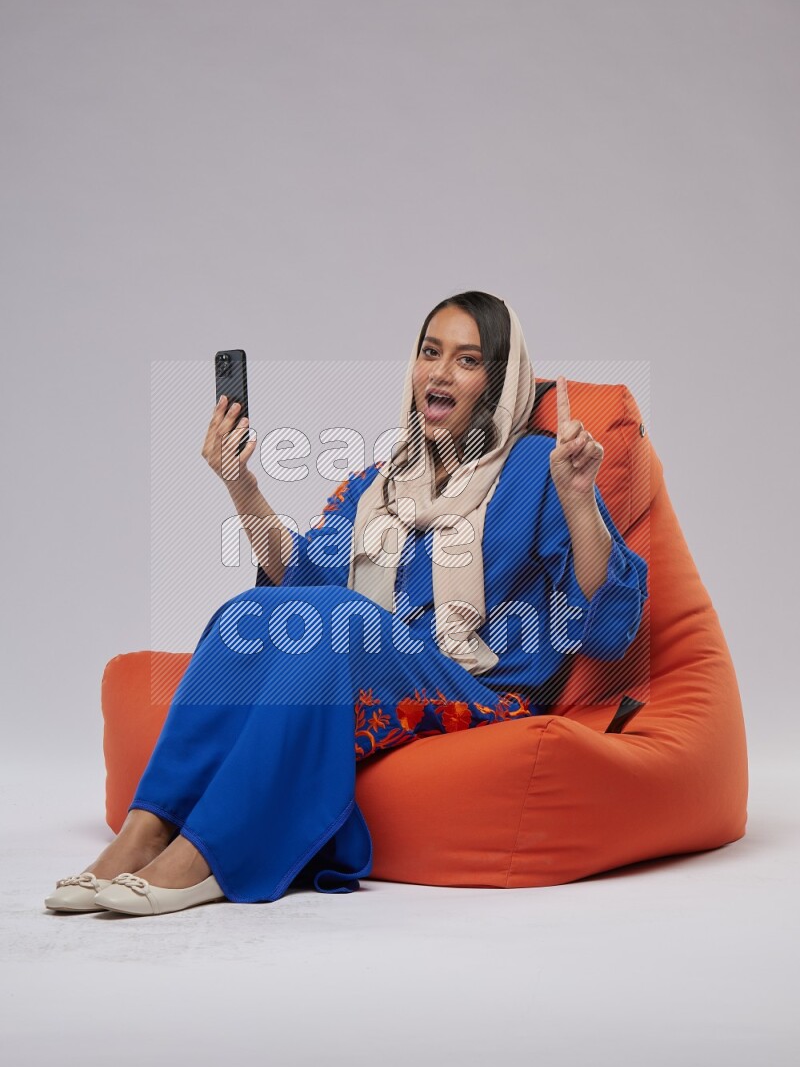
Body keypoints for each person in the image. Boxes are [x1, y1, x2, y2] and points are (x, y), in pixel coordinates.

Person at [44, 291, 649, 917]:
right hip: (376, 658)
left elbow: (607, 629)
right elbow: (300, 577)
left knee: (338, 618)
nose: (440, 373)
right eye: (430, 353)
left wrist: (580, 498)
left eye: (467, 361)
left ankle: (210, 855)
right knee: (244, 615)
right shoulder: (379, 484)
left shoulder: (538, 468)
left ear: (497, 383)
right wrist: (240, 483)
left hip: (481, 689)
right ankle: (145, 830)